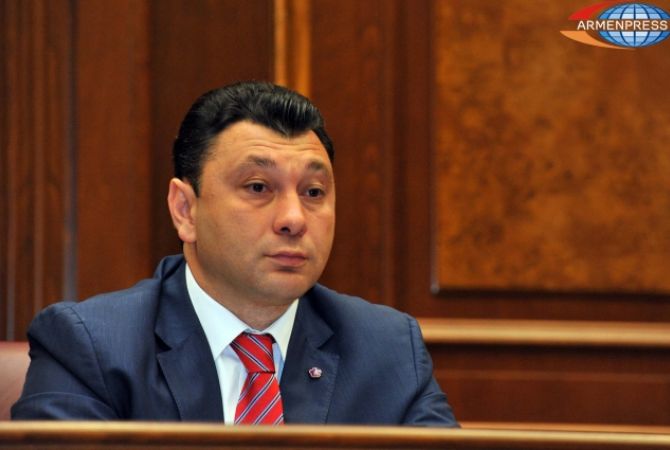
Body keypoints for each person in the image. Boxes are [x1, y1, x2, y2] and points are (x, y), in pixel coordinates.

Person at [11, 81, 458, 426]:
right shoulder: (92, 347)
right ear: (185, 210)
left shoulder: (388, 350)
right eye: (258, 187)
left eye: (313, 192)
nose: (293, 218)